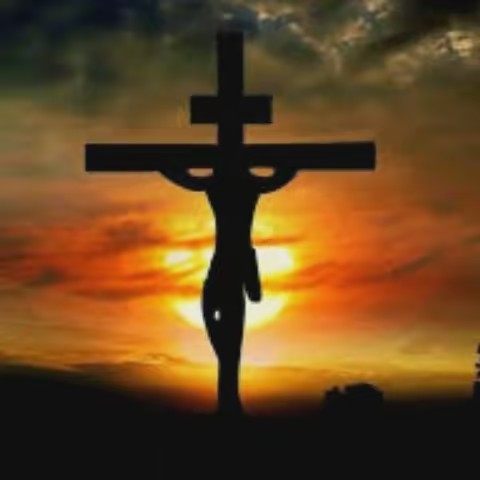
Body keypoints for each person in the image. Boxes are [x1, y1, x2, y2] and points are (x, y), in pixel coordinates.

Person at [160, 164, 295, 415]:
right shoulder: (241, 188)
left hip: (228, 271)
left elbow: (187, 180)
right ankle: (229, 399)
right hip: (228, 271)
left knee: (228, 345)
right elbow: (281, 177)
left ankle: (229, 400)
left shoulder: (221, 187)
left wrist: (163, 166)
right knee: (227, 344)